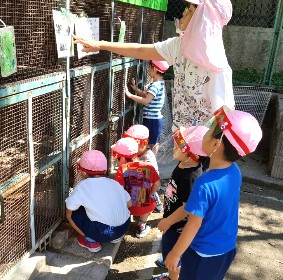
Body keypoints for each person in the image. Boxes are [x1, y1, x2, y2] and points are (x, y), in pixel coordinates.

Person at [72, 0, 234, 131]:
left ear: (204, 20)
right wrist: (100, 45)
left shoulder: (218, 69)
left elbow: (226, 116)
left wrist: (206, 151)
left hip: (201, 151)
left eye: (190, 10)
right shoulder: (178, 45)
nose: (184, 13)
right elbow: (142, 50)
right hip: (183, 143)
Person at [164, 106, 262, 280]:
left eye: (210, 129)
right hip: (227, 247)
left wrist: (175, 254)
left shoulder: (203, 183)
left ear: (216, 144)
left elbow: (193, 225)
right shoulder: (235, 170)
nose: (206, 130)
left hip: (202, 253)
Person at [152, 125, 209, 280]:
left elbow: (187, 208)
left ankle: (173, 276)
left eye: (179, 145)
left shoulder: (190, 177)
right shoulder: (183, 164)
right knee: (171, 254)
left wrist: (168, 221)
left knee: (174, 257)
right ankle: (171, 263)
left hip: (177, 227)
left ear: (191, 155)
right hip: (172, 220)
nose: (174, 147)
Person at [65, 150, 132, 253]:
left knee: (74, 213)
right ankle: (114, 238)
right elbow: (129, 204)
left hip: (103, 232)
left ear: (82, 172)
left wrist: (69, 216)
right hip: (123, 227)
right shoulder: (114, 183)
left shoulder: (82, 186)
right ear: (104, 171)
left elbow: (70, 208)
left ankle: (91, 240)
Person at [112, 137, 161, 238]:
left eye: (117, 158)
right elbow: (157, 184)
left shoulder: (122, 169)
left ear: (123, 158)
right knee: (148, 202)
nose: (117, 162)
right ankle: (142, 226)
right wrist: (149, 194)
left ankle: (123, 223)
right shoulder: (149, 167)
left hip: (129, 208)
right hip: (145, 206)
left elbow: (118, 190)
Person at [125, 60, 169, 154]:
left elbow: (146, 100)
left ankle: (151, 162)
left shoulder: (155, 85)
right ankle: (152, 162)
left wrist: (130, 95)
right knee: (153, 142)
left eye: (149, 68)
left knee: (151, 143)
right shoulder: (160, 83)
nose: (148, 70)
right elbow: (147, 95)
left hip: (151, 119)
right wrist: (136, 89)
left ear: (155, 69)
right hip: (153, 119)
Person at [124, 124, 163, 213]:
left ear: (144, 144)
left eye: (134, 144)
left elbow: (153, 182)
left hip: (147, 188)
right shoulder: (133, 153)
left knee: (146, 201)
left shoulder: (149, 159)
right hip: (136, 185)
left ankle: (156, 206)